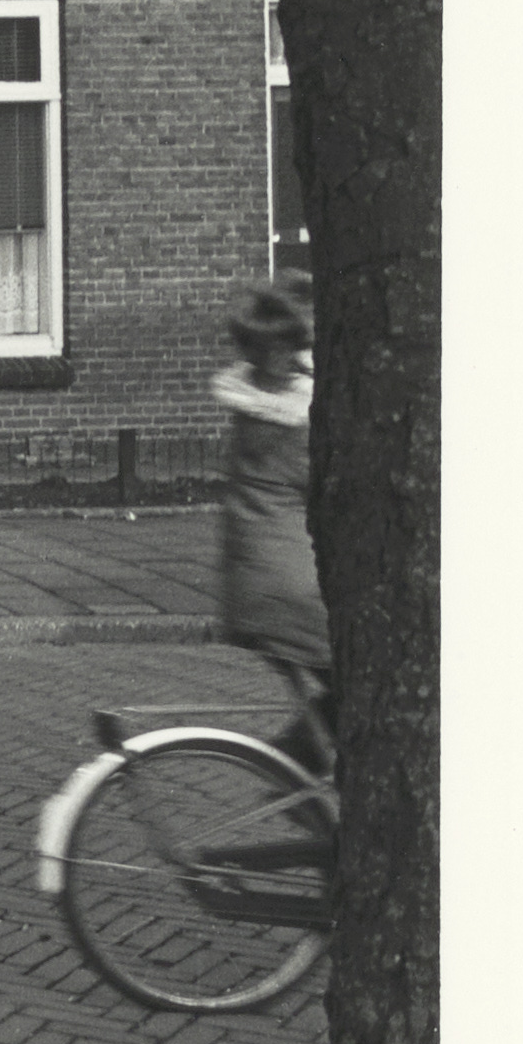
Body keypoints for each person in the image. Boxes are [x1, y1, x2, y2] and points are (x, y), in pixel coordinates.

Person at [211, 274, 332, 776]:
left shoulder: (250, 400)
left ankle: (296, 775)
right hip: (290, 588)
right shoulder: (297, 418)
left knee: (339, 698)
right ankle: (289, 773)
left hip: (250, 579)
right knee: (369, 678)